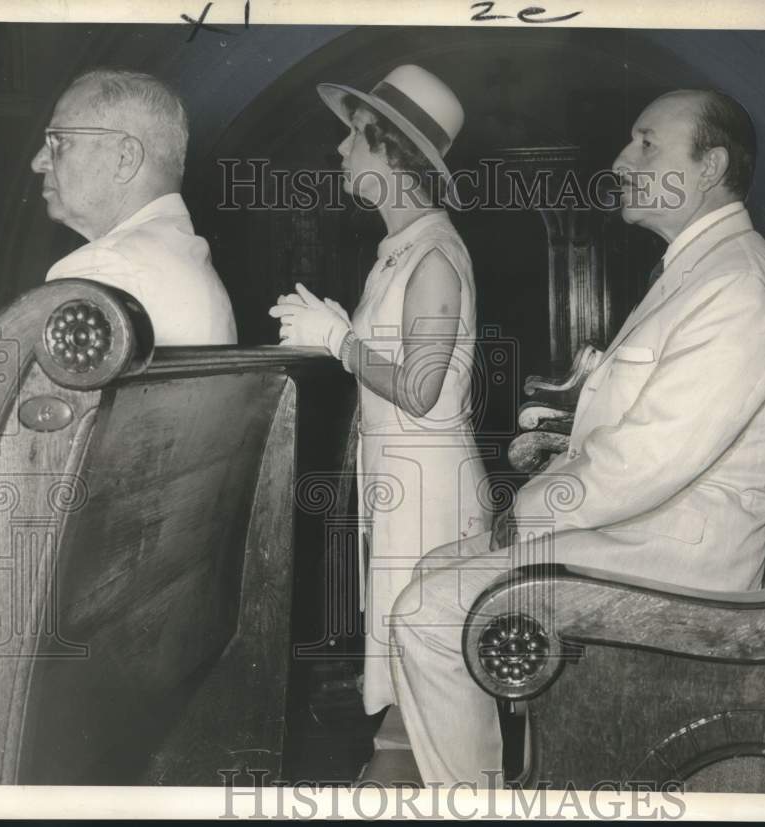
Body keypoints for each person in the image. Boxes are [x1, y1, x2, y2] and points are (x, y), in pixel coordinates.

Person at [385, 89, 765, 786]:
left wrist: (521, 515)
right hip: (641, 533)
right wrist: (566, 431)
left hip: (679, 570)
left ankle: (475, 801)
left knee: (427, 612)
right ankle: (511, 780)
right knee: (434, 571)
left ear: (711, 166)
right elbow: (646, 431)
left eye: (647, 143)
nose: (621, 159)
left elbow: (648, 461)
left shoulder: (741, 287)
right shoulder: (698, 269)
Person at [269, 66, 490, 758]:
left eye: (354, 140)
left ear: (391, 152)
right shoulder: (400, 251)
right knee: (410, 687)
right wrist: (344, 332)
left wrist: (337, 341)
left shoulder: (432, 256)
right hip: (402, 487)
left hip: (431, 494)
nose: (341, 152)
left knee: (441, 690)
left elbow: (421, 389)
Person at [30, 68, 237, 346]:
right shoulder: (184, 254)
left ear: (125, 158)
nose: (39, 162)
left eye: (60, 141)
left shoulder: (104, 268)